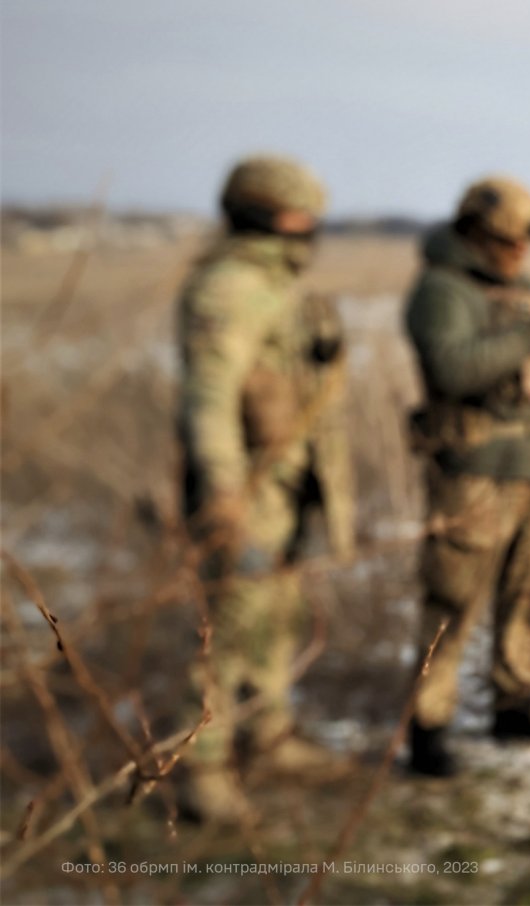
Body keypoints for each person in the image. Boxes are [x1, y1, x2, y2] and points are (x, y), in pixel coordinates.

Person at [177, 154, 355, 821]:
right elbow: (211, 400)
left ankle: (270, 738)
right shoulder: (229, 289)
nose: (310, 228)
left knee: (275, 619)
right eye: (298, 216)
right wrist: (225, 493)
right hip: (246, 489)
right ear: (263, 217)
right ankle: (202, 768)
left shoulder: (269, 285)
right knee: (226, 631)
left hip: (282, 484)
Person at [403, 175, 530, 776]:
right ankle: (427, 725)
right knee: (452, 601)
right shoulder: (442, 291)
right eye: (506, 240)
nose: (519, 251)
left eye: (524, 240)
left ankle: (515, 704)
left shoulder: (528, 290)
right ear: (471, 233)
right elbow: (454, 370)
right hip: (473, 477)